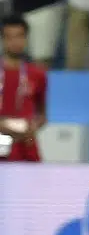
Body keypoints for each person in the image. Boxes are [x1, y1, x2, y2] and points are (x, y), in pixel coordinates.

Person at [0, 15, 46, 162]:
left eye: (19, 36)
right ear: (3, 39)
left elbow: (42, 114)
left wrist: (33, 126)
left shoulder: (37, 74)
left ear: (26, 39)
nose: (15, 42)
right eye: (9, 37)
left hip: (26, 146)